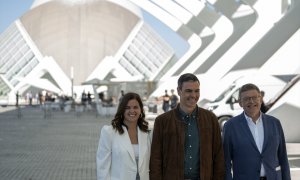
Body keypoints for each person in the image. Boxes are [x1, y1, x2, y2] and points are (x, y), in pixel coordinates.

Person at [150, 73, 225, 180]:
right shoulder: (162, 121)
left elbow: (218, 156)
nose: (194, 95)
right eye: (189, 91)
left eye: (197, 91)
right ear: (179, 91)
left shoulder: (211, 119)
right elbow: (156, 159)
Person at [222, 83, 291, 180]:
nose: (251, 101)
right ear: (240, 103)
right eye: (246, 99)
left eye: (255, 97)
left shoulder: (275, 123)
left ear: (261, 99)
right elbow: (226, 161)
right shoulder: (230, 126)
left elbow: (283, 157)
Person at [96, 92, 152, 180]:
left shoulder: (147, 133)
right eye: (127, 108)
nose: (132, 111)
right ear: (122, 110)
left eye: (135, 107)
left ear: (141, 110)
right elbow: (102, 167)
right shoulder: (109, 132)